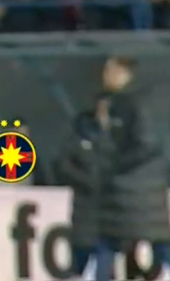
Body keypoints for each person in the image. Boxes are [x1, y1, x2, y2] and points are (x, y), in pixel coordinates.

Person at [94, 56, 170, 281]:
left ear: (124, 73)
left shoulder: (127, 104)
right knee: (161, 242)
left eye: (109, 70)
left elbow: (136, 144)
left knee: (108, 243)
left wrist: (114, 164)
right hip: (147, 187)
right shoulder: (144, 100)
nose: (105, 76)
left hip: (130, 188)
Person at [55, 101, 111, 277]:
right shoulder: (80, 137)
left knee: (103, 263)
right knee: (81, 263)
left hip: (109, 219)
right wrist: (87, 181)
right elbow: (63, 165)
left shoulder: (118, 139)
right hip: (86, 213)